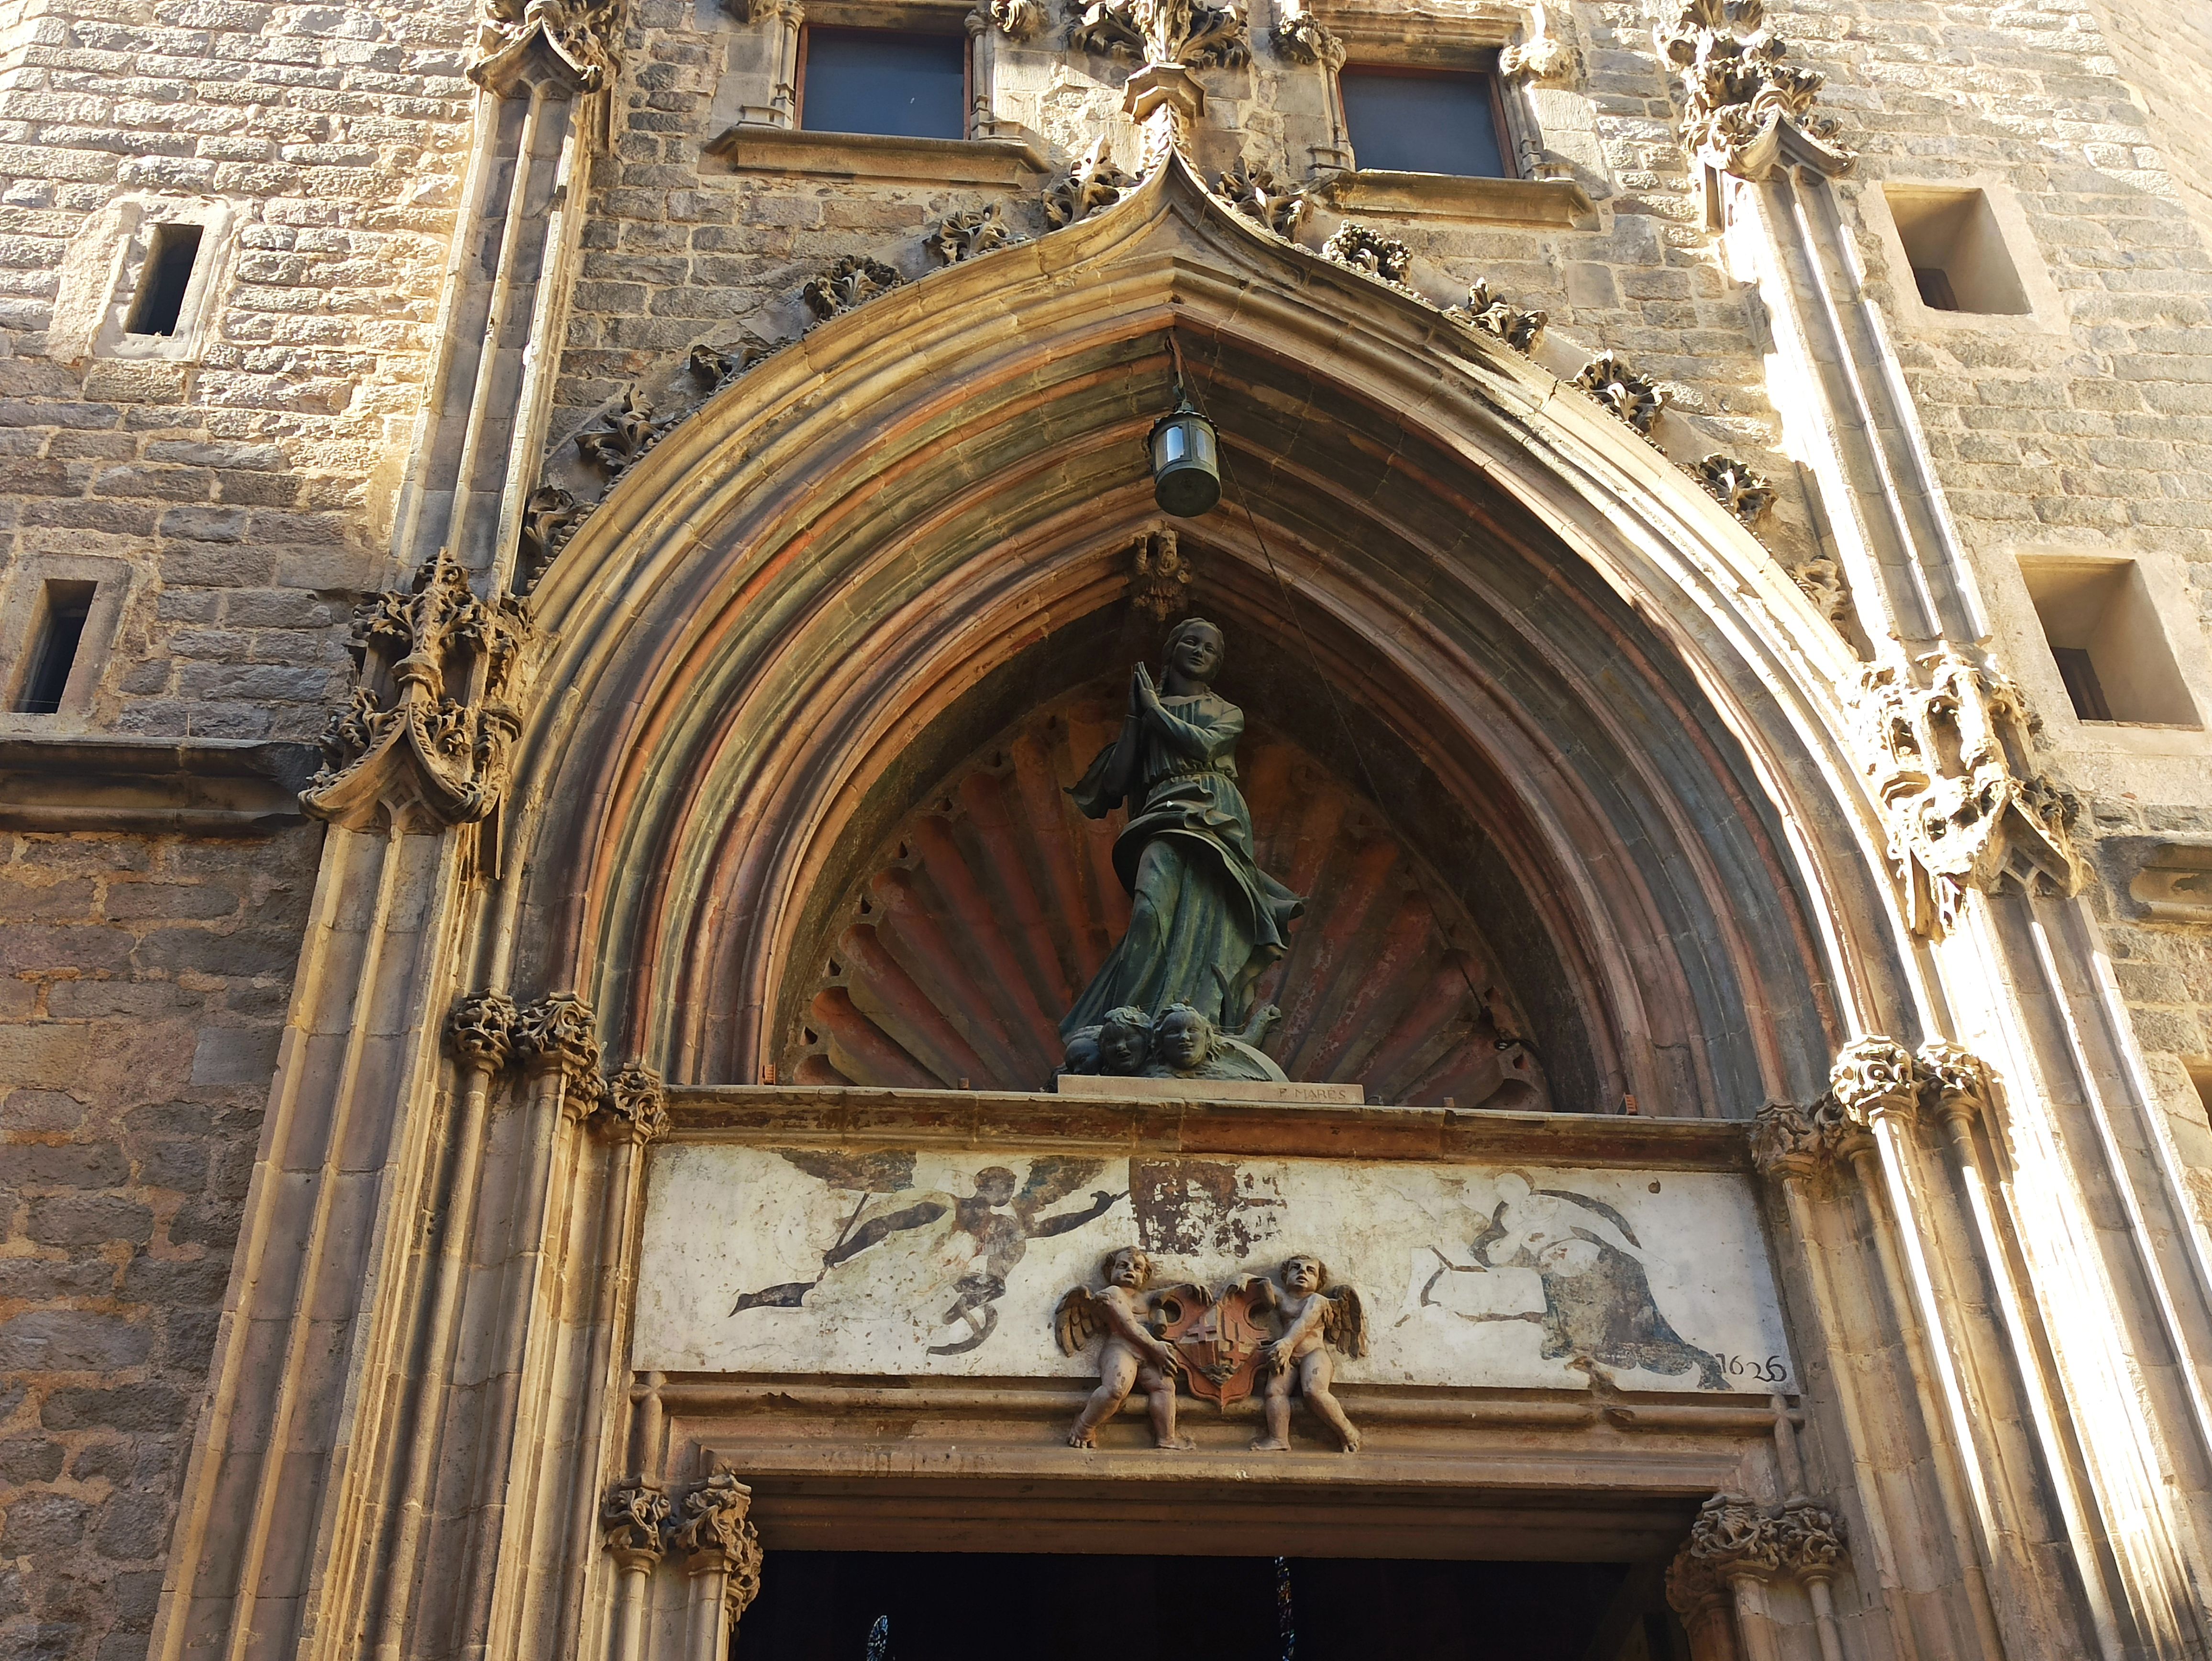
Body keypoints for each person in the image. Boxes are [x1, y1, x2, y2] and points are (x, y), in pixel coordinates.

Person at [1062, 619, 1302, 1041]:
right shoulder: (1149, 708)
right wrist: (1136, 716)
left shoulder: (1227, 712)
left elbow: (1206, 746)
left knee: (1214, 917)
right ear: (1172, 650)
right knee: (1151, 905)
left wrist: (1154, 711)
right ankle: (1128, 1021)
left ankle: (1201, 1020)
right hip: (1165, 808)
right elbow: (1116, 783)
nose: (1199, 652)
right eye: (1191, 642)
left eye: (1209, 649)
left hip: (1216, 810)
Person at [1054, 1247, 1199, 1450]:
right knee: (1116, 1389)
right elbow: (1128, 1326)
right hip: (1121, 1348)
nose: (1130, 1270)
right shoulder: (1113, 1294)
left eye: (1137, 1268)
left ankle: (1167, 1438)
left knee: (1165, 1386)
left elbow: (1167, 1293)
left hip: (1147, 1354)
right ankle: (1084, 1427)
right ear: (1110, 1271)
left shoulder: (1146, 1298)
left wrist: (1189, 1289)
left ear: (1144, 1276)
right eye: (1123, 1266)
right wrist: (1156, 1347)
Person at [1142, 1002, 1287, 1084]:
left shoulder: (1238, 1075)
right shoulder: (1147, 1080)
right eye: (1173, 1032)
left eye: (1193, 1030)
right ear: (1160, 1042)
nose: (1184, 1037)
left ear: (1208, 1039)